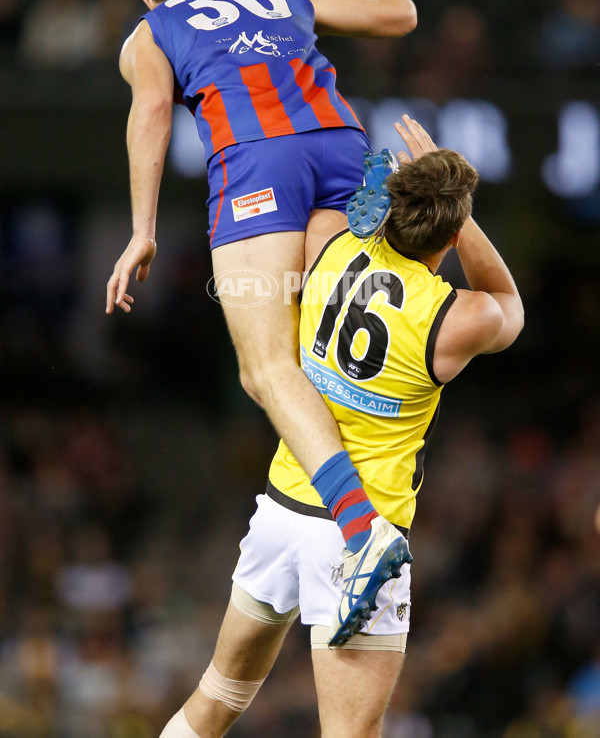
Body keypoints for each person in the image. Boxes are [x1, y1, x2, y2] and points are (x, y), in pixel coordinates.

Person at [158, 115, 525, 738]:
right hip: (360, 538)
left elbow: (331, 203)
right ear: (451, 232)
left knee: (216, 697)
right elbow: (509, 302)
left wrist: (406, 202)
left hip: (282, 506)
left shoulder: (328, 242)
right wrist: (462, 224)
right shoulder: (451, 320)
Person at [105, 0, 418, 638]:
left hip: (256, 161)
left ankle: (361, 527)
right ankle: (368, 221)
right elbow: (397, 18)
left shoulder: (150, 34)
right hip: (340, 140)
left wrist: (142, 231)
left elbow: (152, 108)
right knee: (319, 331)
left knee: (264, 365)